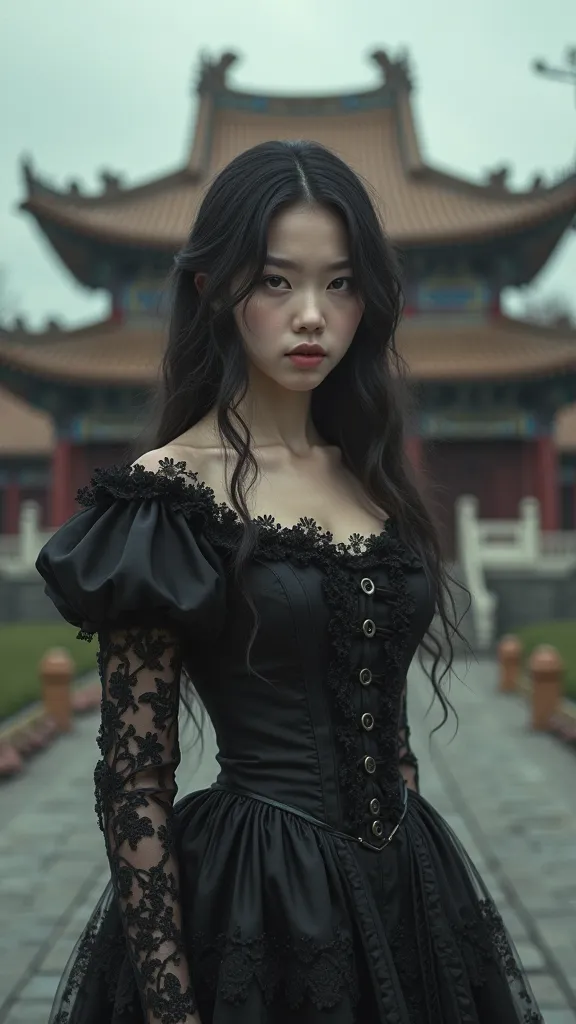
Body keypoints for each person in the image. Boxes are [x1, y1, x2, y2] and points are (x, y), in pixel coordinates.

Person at [37, 140, 542, 1024]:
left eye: (341, 283)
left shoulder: (368, 471)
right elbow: (134, 782)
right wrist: (169, 1004)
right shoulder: (166, 494)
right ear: (214, 290)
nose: (312, 314)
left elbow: (378, 704)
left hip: (412, 887)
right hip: (258, 895)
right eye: (276, 282)